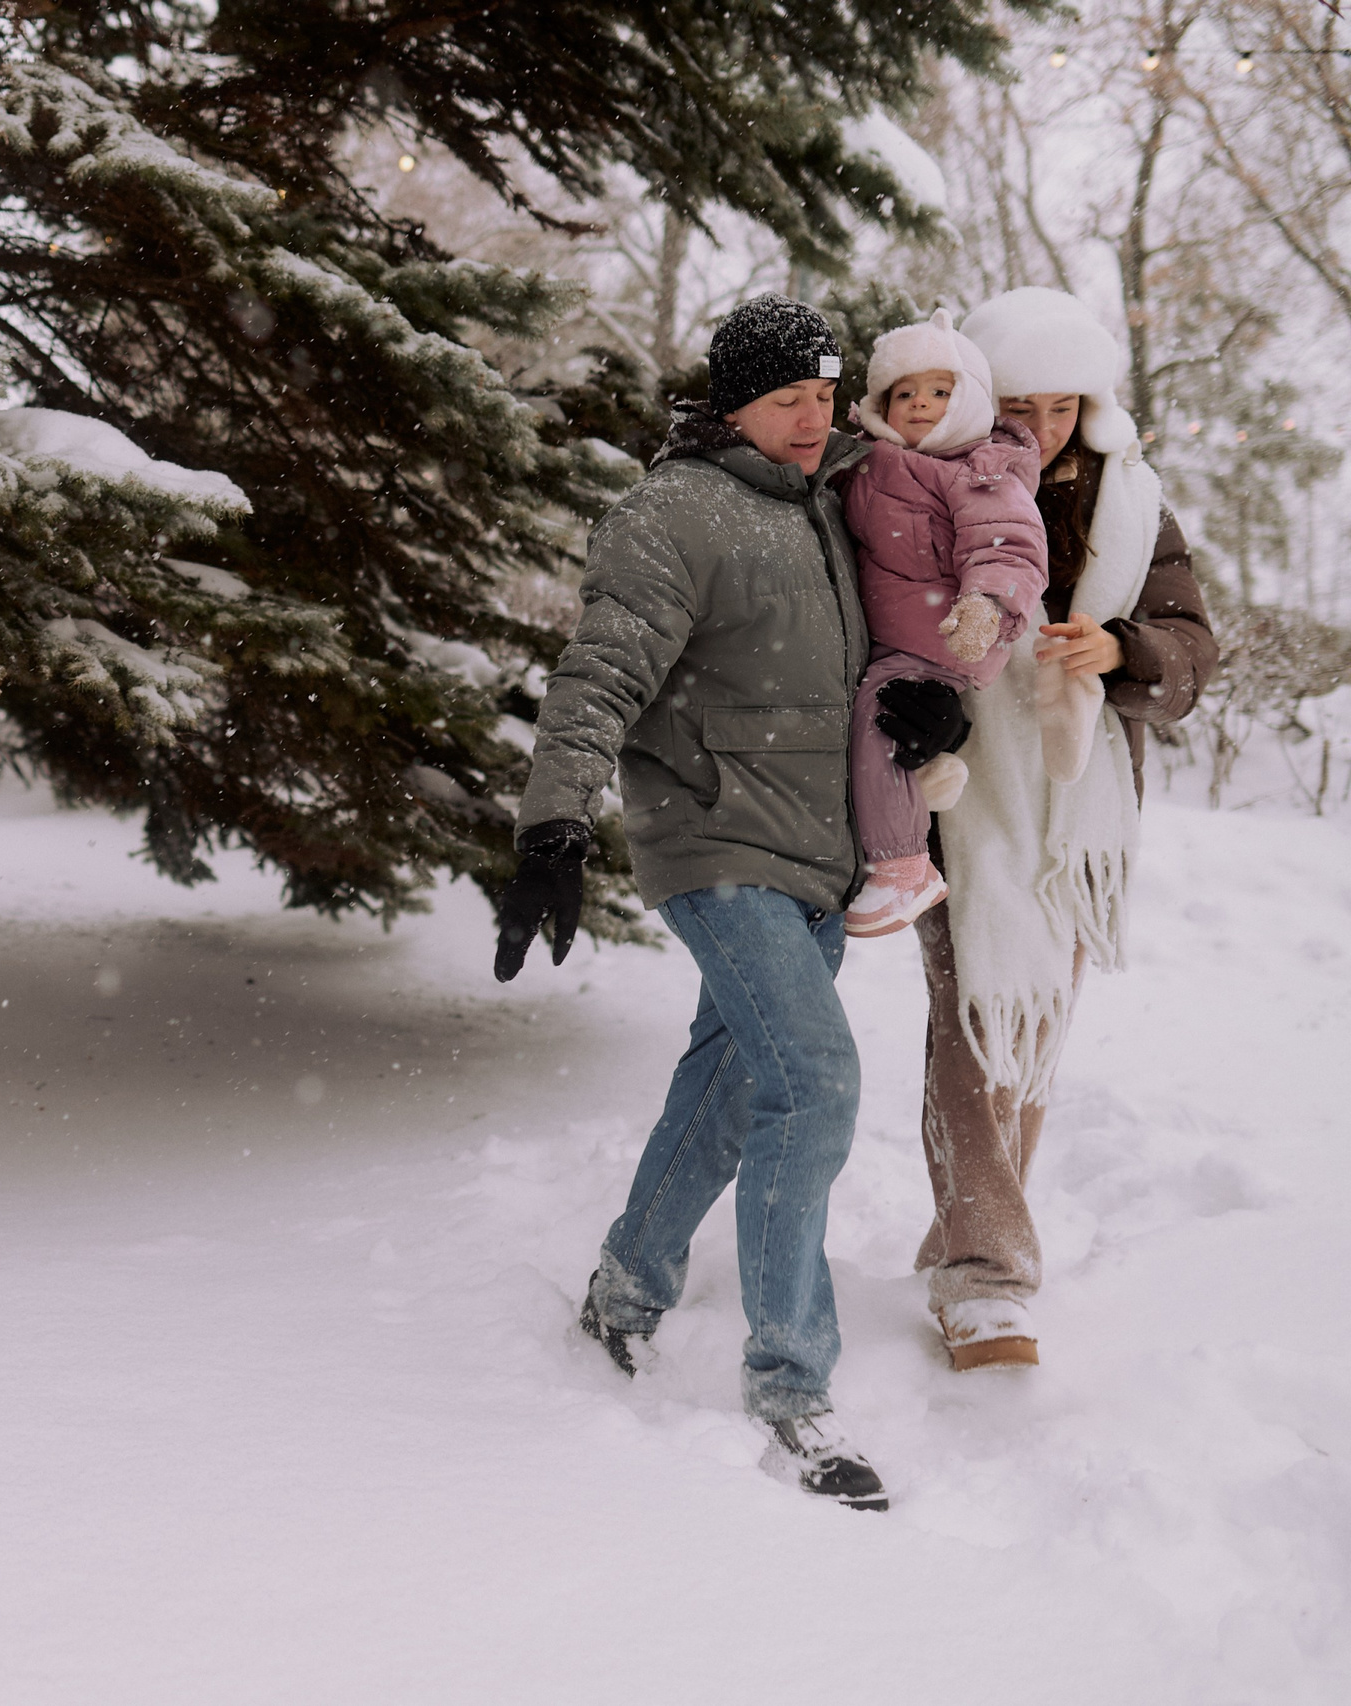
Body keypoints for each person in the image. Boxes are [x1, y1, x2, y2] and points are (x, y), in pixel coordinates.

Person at [492, 296, 890, 1510]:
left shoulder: (837, 495)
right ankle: (791, 1388)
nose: (814, 421)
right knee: (811, 1079)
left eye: (827, 397)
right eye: (788, 402)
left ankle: (625, 1287)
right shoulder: (676, 511)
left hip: (820, 849)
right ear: (730, 404)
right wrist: (553, 817)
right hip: (713, 841)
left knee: (730, 1083)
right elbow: (603, 665)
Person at [909, 287, 1219, 1370]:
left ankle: (969, 1232)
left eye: (1060, 406)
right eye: (1019, 406)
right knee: (971, 1024)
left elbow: (1191, 643)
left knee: (1031, 1031)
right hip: (960, 791)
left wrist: (1125, 651)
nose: (1038, 430)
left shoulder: (1134, 500)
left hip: (1081, 811)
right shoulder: (936, 479)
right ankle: (986, 1274)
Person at [836, 309, 1050, 937]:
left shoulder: (981, 469)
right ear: (881, 402)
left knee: (880, 718)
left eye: (940, 391)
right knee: (871, 727)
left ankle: (904, 865)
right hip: (892, 634)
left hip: (941, 636)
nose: (921, 404)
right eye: (905, 393)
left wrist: (988, 604)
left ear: (971, 402)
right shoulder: (870, 462)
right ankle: (913, 791)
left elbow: (1010, 547)